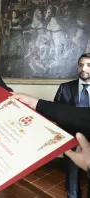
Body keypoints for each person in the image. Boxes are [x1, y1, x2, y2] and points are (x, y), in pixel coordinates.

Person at [54, 53, 90, 198]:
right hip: (72, 141)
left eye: (88, 65)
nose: (84, 68)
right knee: (72, 181)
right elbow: (55, 113)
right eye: (81, 65)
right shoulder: (65, 88)